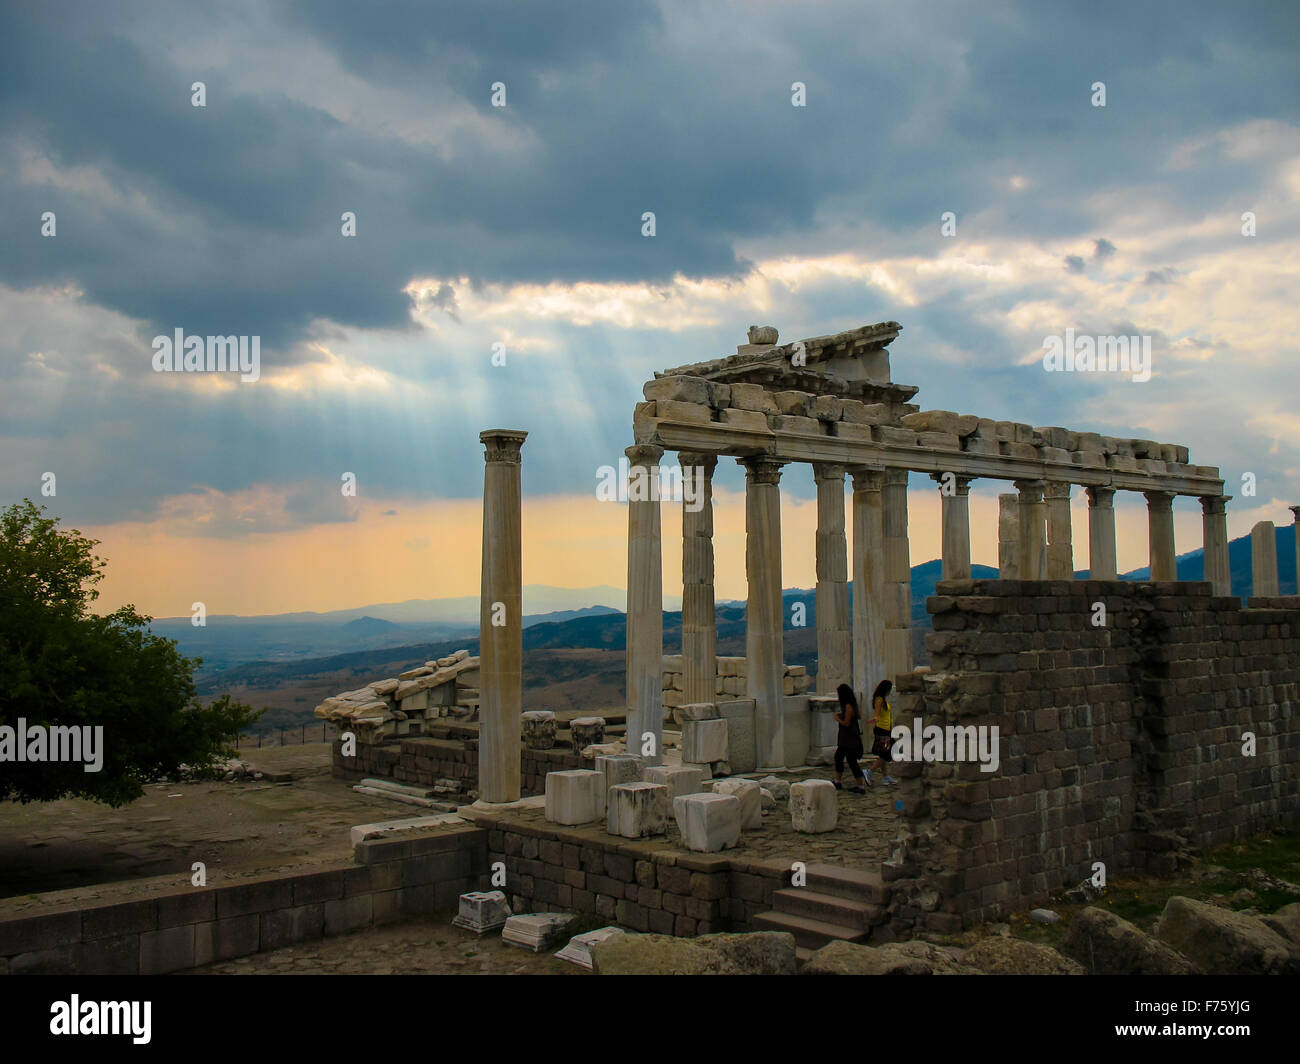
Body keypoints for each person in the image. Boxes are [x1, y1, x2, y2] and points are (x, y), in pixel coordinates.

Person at [830, 683, 866, 794]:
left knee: (849, 761)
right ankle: (839, 781)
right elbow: (858, 716)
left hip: (848, 738)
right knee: (843, 758)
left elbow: (846, 723)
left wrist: (837, 718)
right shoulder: (852, 705)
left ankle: (860, 786)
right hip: (850, 737)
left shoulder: (848, 706)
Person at [864, 679, 897, 786]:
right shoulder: (879, 700)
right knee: (886, 753)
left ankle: (885, 776)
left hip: (886, 729)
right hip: (882, 729)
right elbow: (877, 714)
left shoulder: (882, 699)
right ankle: (869, 771)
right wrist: (874, 719)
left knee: (883, 753)